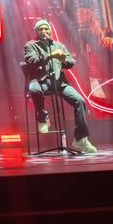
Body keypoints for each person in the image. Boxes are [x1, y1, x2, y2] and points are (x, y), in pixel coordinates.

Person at [23, 19, 97, 154]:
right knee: (33, 89)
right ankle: (42, 118)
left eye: (46, 29)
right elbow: (31, 61)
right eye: (41, 29)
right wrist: (51, 56)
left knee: (80, 101)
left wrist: (64, 59)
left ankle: (80, 140)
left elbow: (71, 62)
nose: (44, 31)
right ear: (37, 32)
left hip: (59, 82)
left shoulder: (58, 45)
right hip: (40, 81)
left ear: (50, 31)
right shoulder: (31, 45)